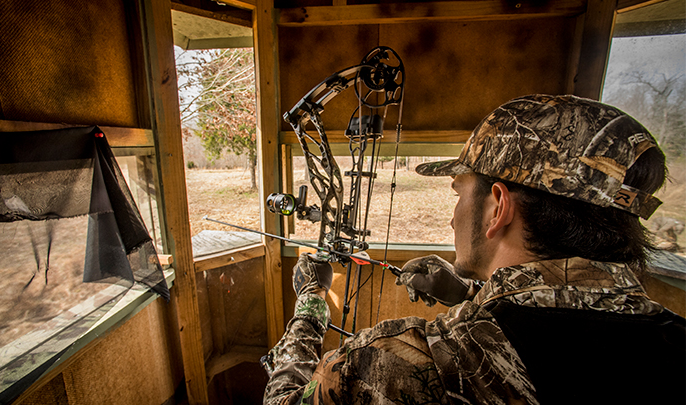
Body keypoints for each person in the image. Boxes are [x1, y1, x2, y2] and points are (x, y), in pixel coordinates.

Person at [263, 94, 686, 405]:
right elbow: (568, 328)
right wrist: (468, 293)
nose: (452, 216)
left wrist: (312, 303)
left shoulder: (399, 363)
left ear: (497, 206)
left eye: (459, 193)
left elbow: (281, 401)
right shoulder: (674, 335)